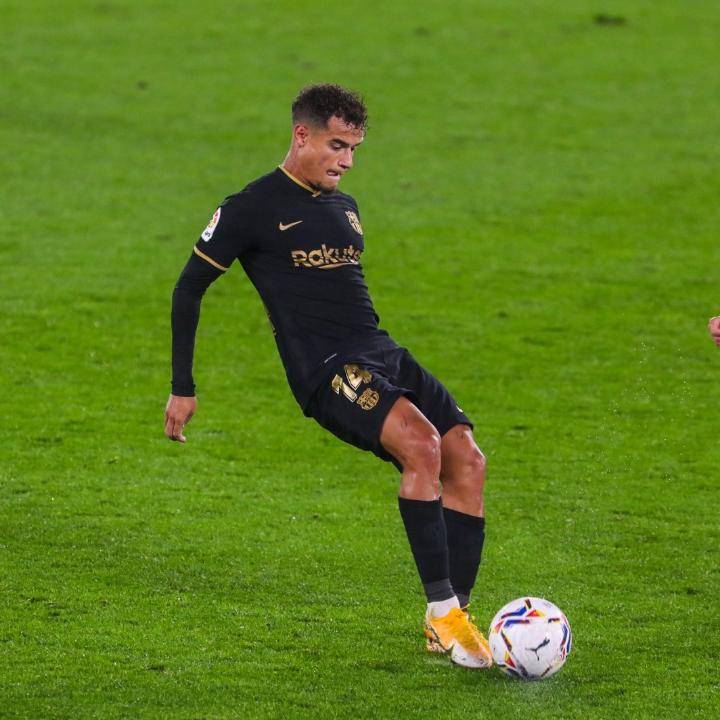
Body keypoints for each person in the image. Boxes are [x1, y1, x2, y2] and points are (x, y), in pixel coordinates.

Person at [165, 84, 492, 668]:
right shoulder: (250, 208)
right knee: (422, 446)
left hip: (381, 351)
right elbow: (188, 289)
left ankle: (453, 617)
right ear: (301, 135)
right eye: (337, 146)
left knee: (467, 458)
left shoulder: (346, 207)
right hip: (326, 369)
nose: (347, 161)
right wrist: (182, 386)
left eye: (354, 149)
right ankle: (443, 613)